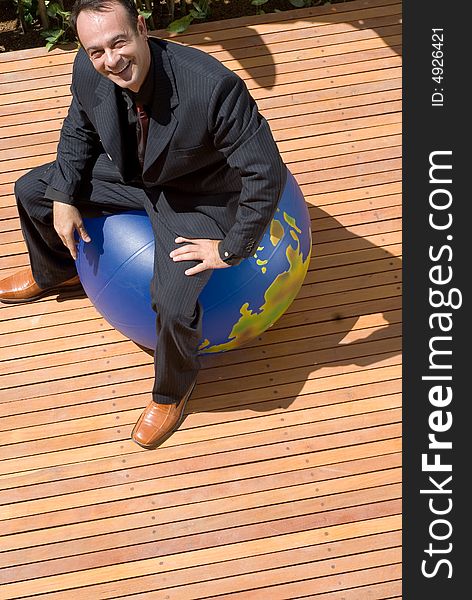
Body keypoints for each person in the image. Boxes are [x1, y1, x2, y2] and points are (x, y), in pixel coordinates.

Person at [0, 0, 287, 449]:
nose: (111, 60)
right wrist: (63, 196)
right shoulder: (89, 67)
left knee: (172, 303)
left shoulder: (212, 88)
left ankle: (172, 392)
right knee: (32, 190)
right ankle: (56, 270)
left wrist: (228, 248)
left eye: (119, 42)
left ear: (141, 28)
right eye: (97, 50)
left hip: (198, 196)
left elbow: (266, 171)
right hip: (132, 174)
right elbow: (79, 128)